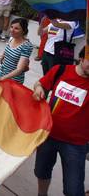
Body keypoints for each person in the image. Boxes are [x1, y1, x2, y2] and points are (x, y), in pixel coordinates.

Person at [32, 47, 88, 196]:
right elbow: (40, 84)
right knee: (42, 171)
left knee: (74, 190)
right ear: (81, 58)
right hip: (48, 135)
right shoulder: (60, 70)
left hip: (76, 144)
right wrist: (38, 89)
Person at [0, 18, 33, 84]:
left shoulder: (26, 46)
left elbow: (19, 69)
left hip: (13, 80)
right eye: (11, 27)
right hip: (0, 73)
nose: (12, 30)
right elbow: (7, 48)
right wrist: (3, 56)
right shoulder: (11, 38)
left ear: (23, 31)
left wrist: (1, 79)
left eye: (16, 28)